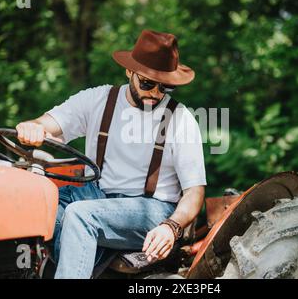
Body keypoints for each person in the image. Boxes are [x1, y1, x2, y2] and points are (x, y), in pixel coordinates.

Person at [15, 30, 206, 279]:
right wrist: (33, 127)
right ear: (130, 72)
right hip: (95, 194)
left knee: (80, 215)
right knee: (36, 202)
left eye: (165, 87)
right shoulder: (98, 100)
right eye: (147, 83)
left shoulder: (181, 119)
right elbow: (47, 123)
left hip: (152, 209)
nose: (155, 93)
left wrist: (172, 227)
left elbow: (195, 192)